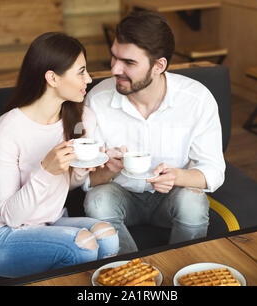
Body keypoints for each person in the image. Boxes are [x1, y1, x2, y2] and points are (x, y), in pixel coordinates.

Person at [0, 32, 119, 278]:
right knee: (82, 244)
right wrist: (46, 170)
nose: (89, 79)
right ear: (52, 78)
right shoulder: (6, 130)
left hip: (47, 223)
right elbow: (12, 216)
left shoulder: (82, 118)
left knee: (107, 237)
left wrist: (86, 167)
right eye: (81, 71)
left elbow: (68, 184)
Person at [83, 11, 226, 254]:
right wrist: (108, 169)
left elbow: (213, 171)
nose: (115, 69)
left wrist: (176, 176)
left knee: (193, 201)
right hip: (121, 197)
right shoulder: (97, 99)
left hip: (171, 198)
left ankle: (182, 270)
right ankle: (134, 276)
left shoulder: (197, 99)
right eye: (114, 57)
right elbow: (87, 179)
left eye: (129, 63)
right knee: (97, 201)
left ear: (159, 65)